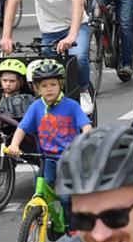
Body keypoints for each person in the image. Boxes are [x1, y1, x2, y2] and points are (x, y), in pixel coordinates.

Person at [2, 0, 93, 114]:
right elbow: (13, 2)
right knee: (45, 72)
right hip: (49, 30)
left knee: (80, 58)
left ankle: (83, 90)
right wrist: (6, 36)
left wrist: (71, 36)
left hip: (75, 26)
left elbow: (78, 5)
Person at [6, 59, 92, 187]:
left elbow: (86, 126)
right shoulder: (36, 107)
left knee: (66, 196)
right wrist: (14, 145)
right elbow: (22, 128)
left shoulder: (71, 105)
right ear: (37, 89)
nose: (49, 89)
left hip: (70, 157)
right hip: (47, 157)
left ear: (60, 85)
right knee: (41, 184)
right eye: (44, 86)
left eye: (53, 85)